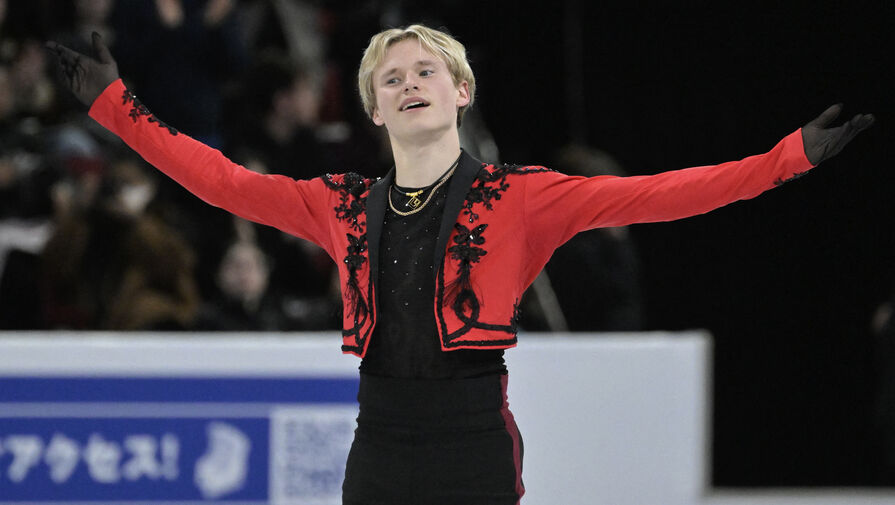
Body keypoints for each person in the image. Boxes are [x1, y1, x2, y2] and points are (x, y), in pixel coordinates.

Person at [47, 25, 874, 504]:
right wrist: (114, 106)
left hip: (472, 442)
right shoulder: (338, 203)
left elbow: (661, 194)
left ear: (461, 92)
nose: (409, 83)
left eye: (425, 71)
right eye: (391, 78)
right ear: (373, 108)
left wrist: (788, 158)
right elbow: (219, 178)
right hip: (378, 443)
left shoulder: (523, 196)